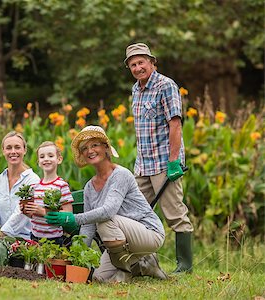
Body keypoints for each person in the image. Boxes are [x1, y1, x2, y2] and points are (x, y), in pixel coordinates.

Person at [46, 125, 167, 283]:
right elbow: (88, 227)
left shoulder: (121, 175)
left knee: (105, 221)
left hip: (149, 232)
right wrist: (78, 255)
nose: (90, 151)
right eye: (85, 148)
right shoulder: (89, 187)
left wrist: (73, 218)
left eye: (95, 145)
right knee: (98, 278)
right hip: (123, 239)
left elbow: (108, 211)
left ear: (106, 147)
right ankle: (144, 264)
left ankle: (124, 273)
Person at [125, 42, 194, 273]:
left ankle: (184, 265)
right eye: (133, 64)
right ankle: (143, 263)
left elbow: (175, 124)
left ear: (152, 62)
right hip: (143, 165)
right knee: (135, 214)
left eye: (141, 62)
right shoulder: (136, 89)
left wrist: (174, 161)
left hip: (165, 163)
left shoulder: (166, 85)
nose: (137, 67)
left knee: (174, 214)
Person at [0, 131, 40, 240]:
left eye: (17, 147)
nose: (13, 151)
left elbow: (21, 214)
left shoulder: (32, 180)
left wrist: (2, 234)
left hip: (25, 240)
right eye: (9, 148)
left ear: (24, 150)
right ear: (3, 151)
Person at [21, 141, 73, 245]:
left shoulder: (61, 185)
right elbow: (34, 216)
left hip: (54, 239)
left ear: (59, 159)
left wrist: (44, 212)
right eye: (42, 156)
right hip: (35, 237)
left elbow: (68, 215)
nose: (46, 159)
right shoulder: (34, 187)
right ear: (38, 162)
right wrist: (27, 211)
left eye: (50, 155)